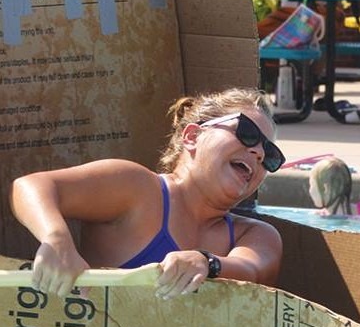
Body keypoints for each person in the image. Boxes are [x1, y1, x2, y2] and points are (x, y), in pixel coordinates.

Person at [10, 87, 284, 299]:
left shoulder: (256, 235)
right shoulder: (136, 189)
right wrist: (57, 240)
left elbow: (253, 272)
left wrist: (206, 263)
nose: (258, 153)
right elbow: (32, 186)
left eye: (270, 155)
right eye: (247, 133)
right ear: (192, 136)